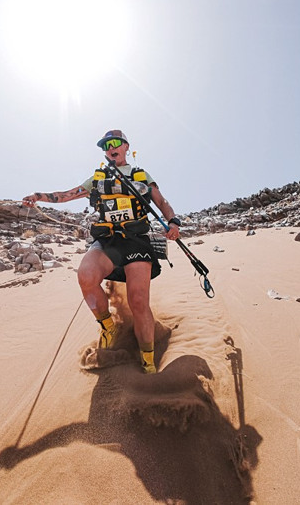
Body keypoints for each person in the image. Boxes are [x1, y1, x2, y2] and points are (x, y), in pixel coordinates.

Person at [22, 129, 181, 374]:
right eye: (106, 145)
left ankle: (148, 360)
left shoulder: (141, 174)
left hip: (136, 240)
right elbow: (67, 195)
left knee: (138, 301)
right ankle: (108, 325)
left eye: (115, 143)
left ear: (126, 146)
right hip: (107, 239)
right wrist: (39, 196)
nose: (110, 147)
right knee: (86, 276)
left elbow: (161, 202)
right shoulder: (97, 178)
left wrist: (173, 222)